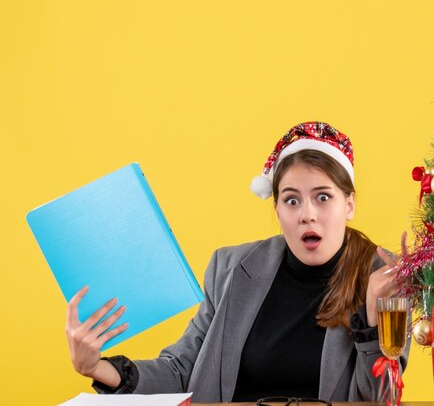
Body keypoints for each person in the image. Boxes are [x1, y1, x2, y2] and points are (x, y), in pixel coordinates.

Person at [65, 122, 409, 402]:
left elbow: (381, 400)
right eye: (291, 200)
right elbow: (182, 369)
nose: (307, 215)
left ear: (349, 204)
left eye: (323, 197)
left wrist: (375, 320)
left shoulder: (384, 277)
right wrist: (97, 367)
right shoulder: (231, 268)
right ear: (276, 209)